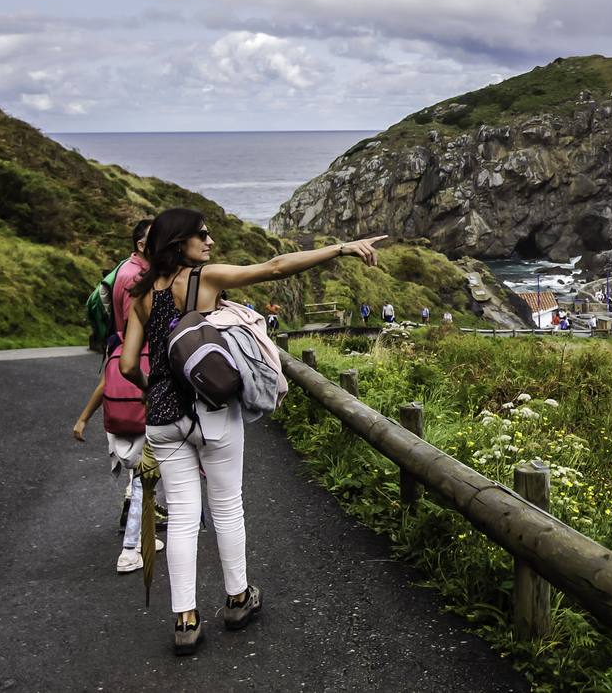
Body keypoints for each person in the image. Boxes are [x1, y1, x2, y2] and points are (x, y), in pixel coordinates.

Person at [119, 207, 384, 655]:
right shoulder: (202, 279)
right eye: (201, 235)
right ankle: (238, 598)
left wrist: (157, 390)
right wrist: (341, 248)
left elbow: (128, 365)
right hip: (212, 410)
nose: (209, 241)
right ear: (178, 242)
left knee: (183, 518)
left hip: (163, 419)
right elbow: (275, 267)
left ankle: (185, 619)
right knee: (226, 506)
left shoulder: (142, 294)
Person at [72, 219, 160, 573]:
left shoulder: (131, 270)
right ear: (141, 245)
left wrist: (82, 418)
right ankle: (130, 549)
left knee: (148, 473)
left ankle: (143, 535)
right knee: (146, 473)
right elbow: (131, 335)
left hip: (126, 361)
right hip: (141, 364)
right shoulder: (134, 278)